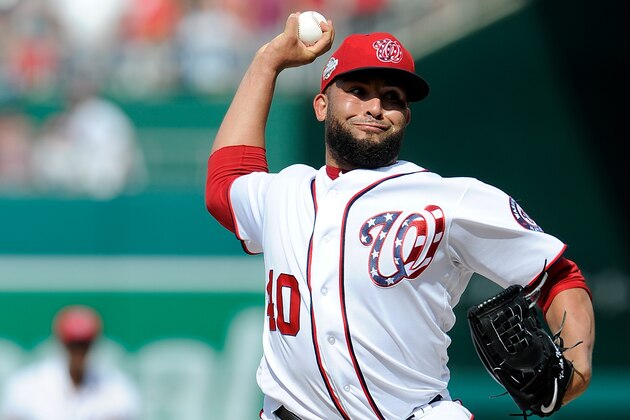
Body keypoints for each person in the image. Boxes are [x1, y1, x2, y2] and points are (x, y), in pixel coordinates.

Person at [204, 13, 595, 420]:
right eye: (357, 90)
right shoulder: (286, 192)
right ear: (322, 105)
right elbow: (224, 184)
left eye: (392, 97)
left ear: (406, 116)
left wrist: (577, 369)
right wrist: (268, 61)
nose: (375, 107)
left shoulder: (449, 198)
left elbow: (558, 274)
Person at [0, 305, 141, 420]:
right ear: (61, 342)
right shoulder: (27, 384)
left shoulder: (116, 386)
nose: (78, 352)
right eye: (73, 344)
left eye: (84, 344)